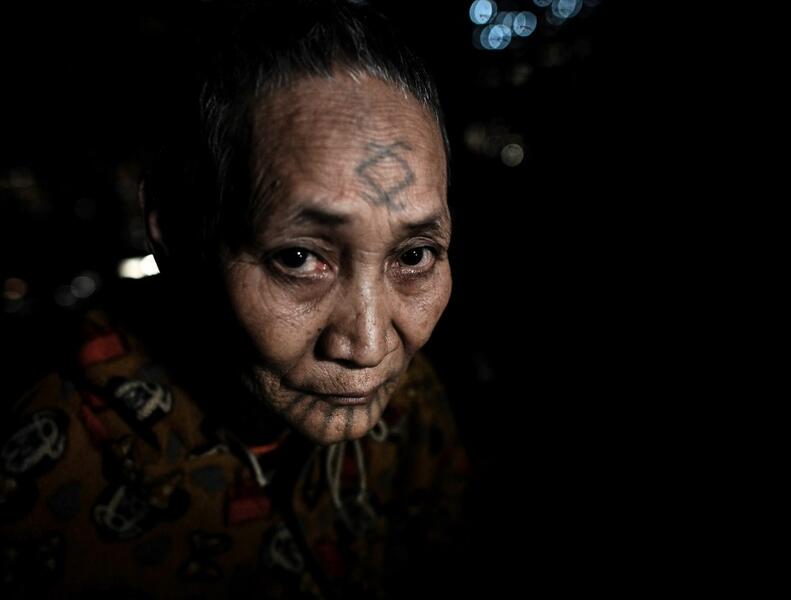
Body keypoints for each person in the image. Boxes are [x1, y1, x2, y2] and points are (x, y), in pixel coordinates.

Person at [0, 1, 471, 598]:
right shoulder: (39, 475)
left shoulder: (413, 405)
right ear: (177, 233)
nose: (370, 347)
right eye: (298, 258)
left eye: (415, 255)